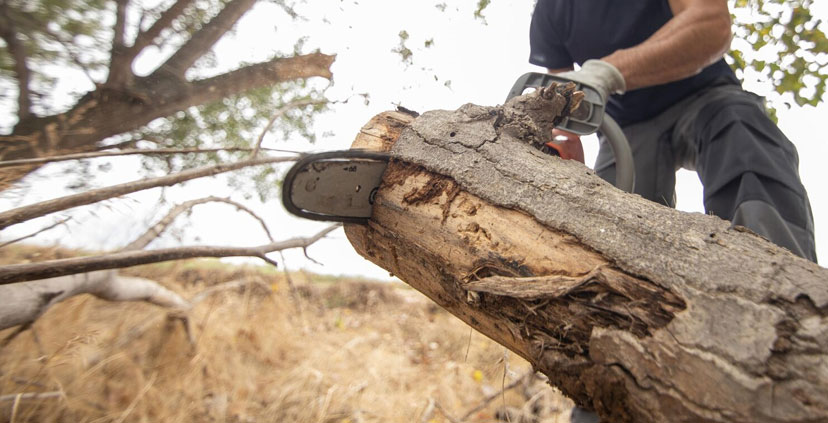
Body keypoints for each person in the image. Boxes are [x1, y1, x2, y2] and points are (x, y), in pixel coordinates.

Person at [529, 0, 817, 266]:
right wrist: (561, 156)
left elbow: (710, 23)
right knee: (605, 219)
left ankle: (779, 272)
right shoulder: (551, 10)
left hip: (706, 95)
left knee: (743, 138)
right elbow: (561, 102)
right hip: (626, 128)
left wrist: (609, 70)